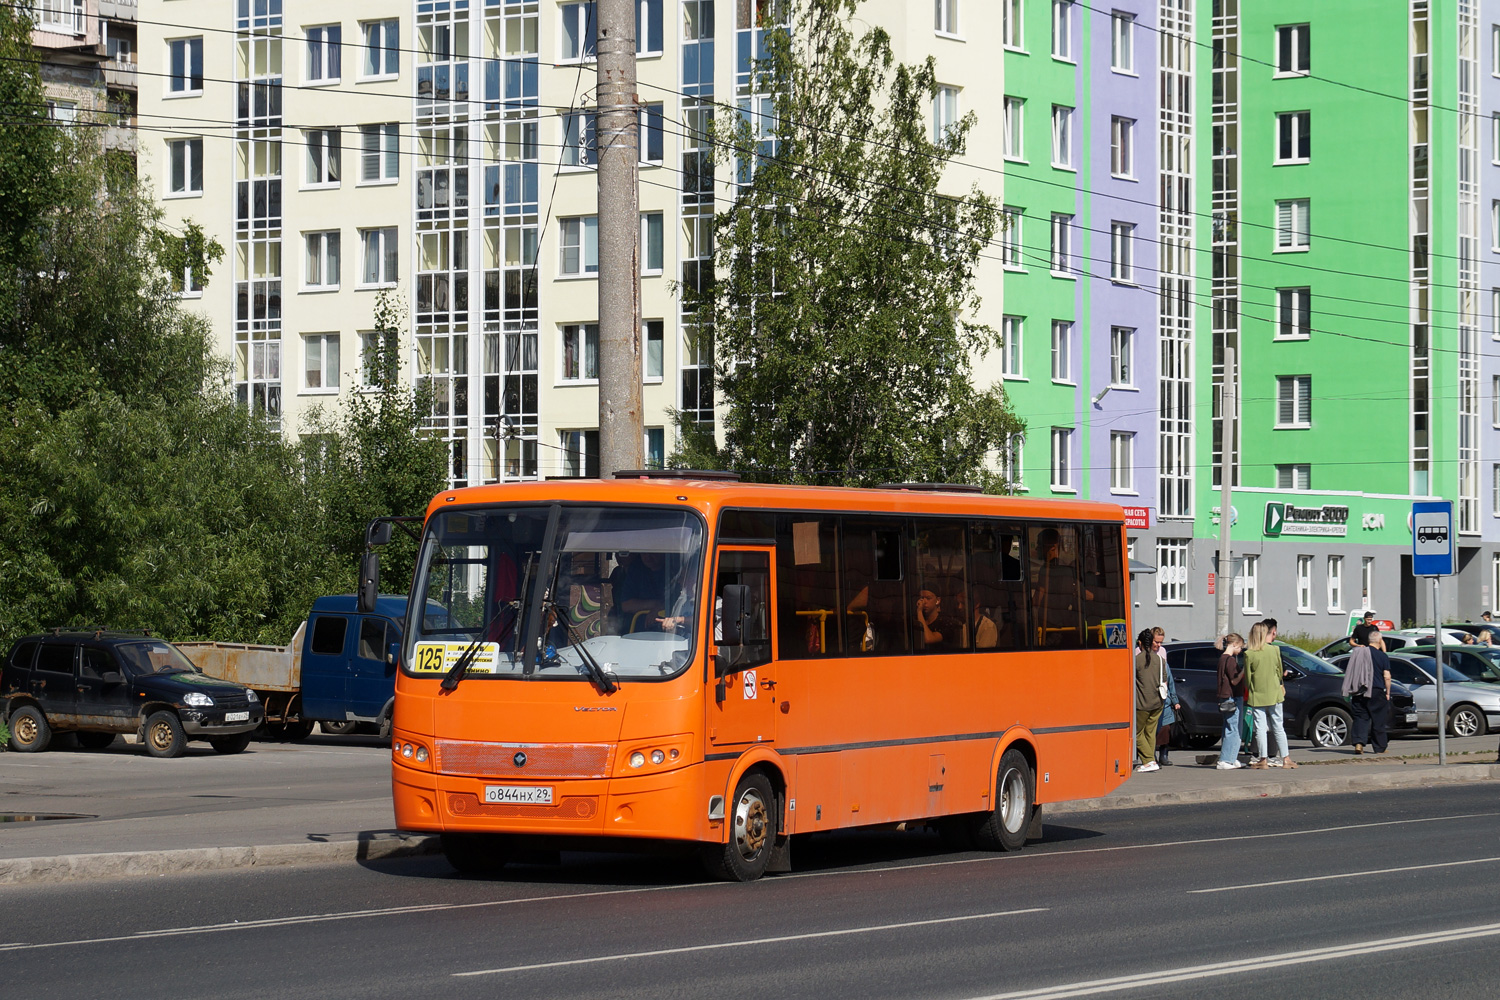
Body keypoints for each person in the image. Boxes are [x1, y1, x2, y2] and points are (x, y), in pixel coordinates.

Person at [1244, 622, 1296, 769]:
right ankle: (1286, 758)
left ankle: (1263, 759)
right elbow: (1280, 671)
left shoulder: (1249, 654)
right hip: (1275, 693)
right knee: (1278, 726)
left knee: (1260, 728)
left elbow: (1248, 678)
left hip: (1257, 695)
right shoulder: (1275, 650)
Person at [1342, 623, 1392, 755]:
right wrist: (1388, 692)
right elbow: (1387, 676)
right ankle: (1380, 747)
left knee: (1360, 717)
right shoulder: (1382, 656)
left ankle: (1359, 743)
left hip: (1359, 689)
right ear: (1380, 641)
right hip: (1376, 690)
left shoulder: (1359, 653)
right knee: (1378, 719)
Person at [1133, 628, 1166, 773]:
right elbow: (1164, 679)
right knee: (1150, 733)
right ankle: (1151, 760)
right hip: (1158, 702)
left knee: (1137, 732)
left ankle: (1148, 760)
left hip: (1142, 703)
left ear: (1140, 643)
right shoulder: (1160, 659)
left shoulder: (1136, 661)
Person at [1215, 632, 1248, 769]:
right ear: (1234, 644)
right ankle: (1225, 760)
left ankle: (1232, 757)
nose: (1240, 650)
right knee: (1233, 728)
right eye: (1240, 647)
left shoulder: (1222, 659)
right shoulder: (1230, 660)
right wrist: (1244, 671)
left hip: (1225, 696)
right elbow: (1234, 680)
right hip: (1232, 696)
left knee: (1229, 727)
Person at [1153, 628, 1180, 766]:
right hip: (1151, 698)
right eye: (1156, 642)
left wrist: (1175, 700)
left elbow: (1169, 681)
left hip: (1165, 698)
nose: (1158, 645)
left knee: (1165, 728)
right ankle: (1151, 756)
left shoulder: (1163, 655)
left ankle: (1163, 754)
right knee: (1152, 729)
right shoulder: (1140, 654)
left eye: (1161, 642)